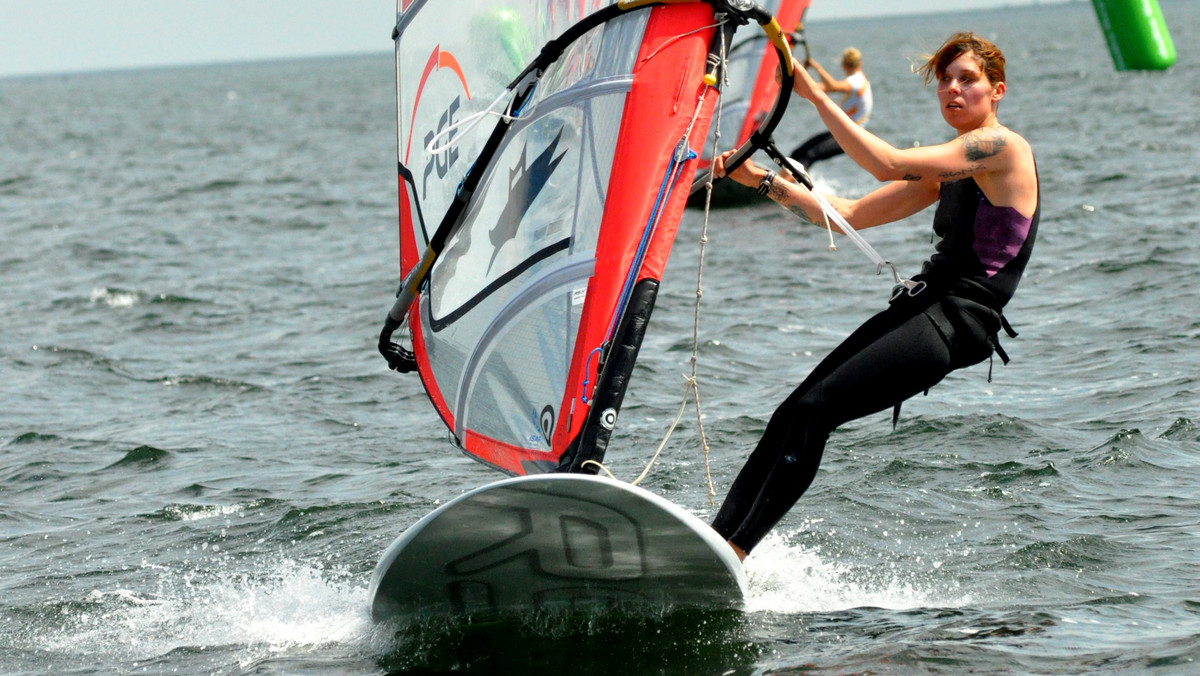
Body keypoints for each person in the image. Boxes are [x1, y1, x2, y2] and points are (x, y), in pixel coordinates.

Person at [710, 32, 1039, 561]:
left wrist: (816, 96)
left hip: (952, 323)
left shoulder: (1001, 149)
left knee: (815, 412)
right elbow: (851, 215)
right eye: (945, 81)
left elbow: (886, 162)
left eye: (968, 80)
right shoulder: (952, 169)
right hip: (924, 307)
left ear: (996, 90)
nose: (953, 90)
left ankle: (737, 552)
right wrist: (762, 181)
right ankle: (716, 541)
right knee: (790, 413)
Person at [789, 47, 873, 169]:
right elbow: (822, 88)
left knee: (808, 155)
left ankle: (786, 186)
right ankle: (777, 184)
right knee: (797, 154)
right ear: (860, 64)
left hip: (852, 137)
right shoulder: (855, 81)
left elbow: (832, 86)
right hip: (842, 132)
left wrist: (815, 66)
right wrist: (793, 83)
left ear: (843, 65)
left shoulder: (856, 81)